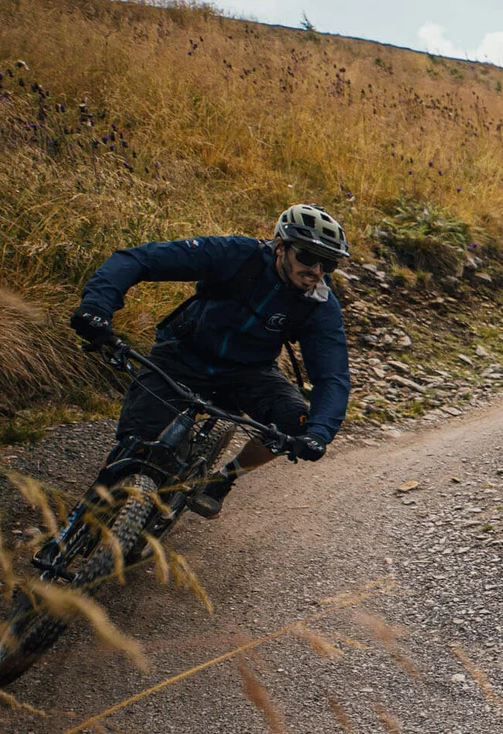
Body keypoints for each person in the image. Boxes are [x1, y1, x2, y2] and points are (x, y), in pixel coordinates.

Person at [68, 204, 353, 517]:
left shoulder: (319, 305)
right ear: (280, 246)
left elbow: (332, 375)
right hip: (182, 354)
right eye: (308, 257)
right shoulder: (235, 255)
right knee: (136, 446)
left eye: (328, 263)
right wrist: (97, 307)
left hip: (248, 372)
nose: (316, 271)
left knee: (296, 422)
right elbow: (139, 259)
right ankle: (88, 523)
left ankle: (223, 479)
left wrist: (318, 434)